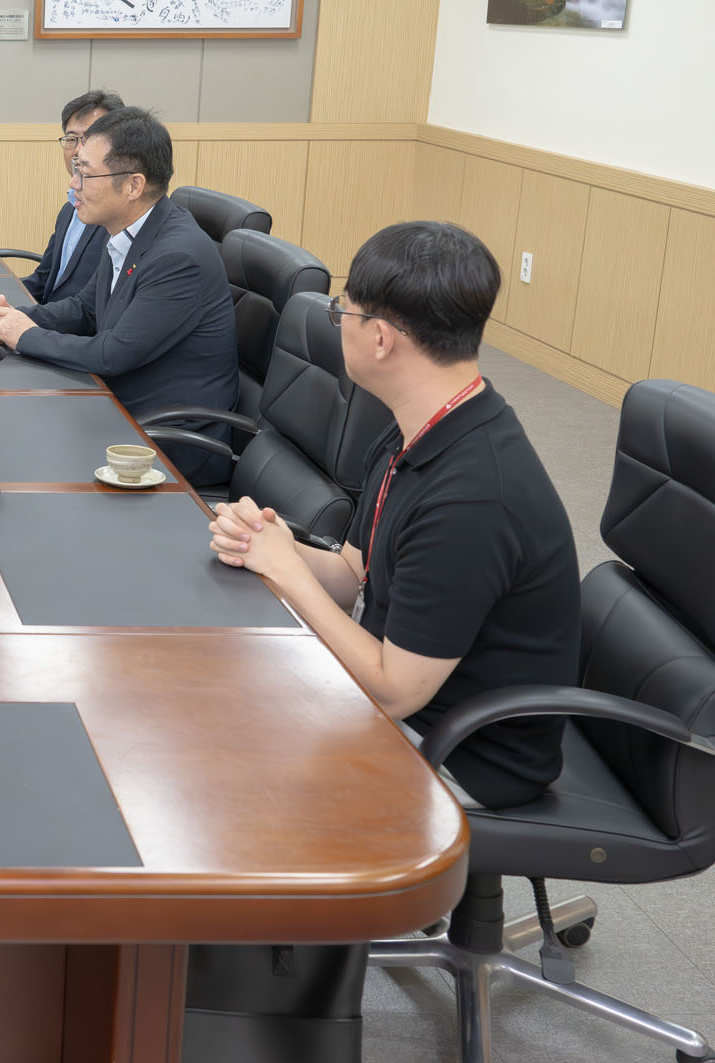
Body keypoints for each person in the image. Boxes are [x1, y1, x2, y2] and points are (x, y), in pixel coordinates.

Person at [206, 222, 579, 810]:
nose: (338, 324)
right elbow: (354, 574)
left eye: (342, 313)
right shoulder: (418, 426)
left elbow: (392, 692)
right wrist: (270, 543)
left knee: (223, 752)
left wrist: (287, 572)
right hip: (404, 693)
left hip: (458, 755)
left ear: (380, 338)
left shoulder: (473, 499)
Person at [0, 109, 238, 484]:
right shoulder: (128, 230)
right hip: (118, 409)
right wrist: (13, 321)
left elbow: (113, 354)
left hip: (164, 442)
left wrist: (26, 336)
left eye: (85, 173)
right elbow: (85, 309)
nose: (73, 183)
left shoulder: (179, 257)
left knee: (16, 452)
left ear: (133, 186)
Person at [18, 90, 124, 305]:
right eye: (71, 139)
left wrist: (26, 318)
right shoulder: (70, 207)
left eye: (89, 139)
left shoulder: (118, 216)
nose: (78, 151)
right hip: (49, 315)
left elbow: (91, 307)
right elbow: (43, 280)